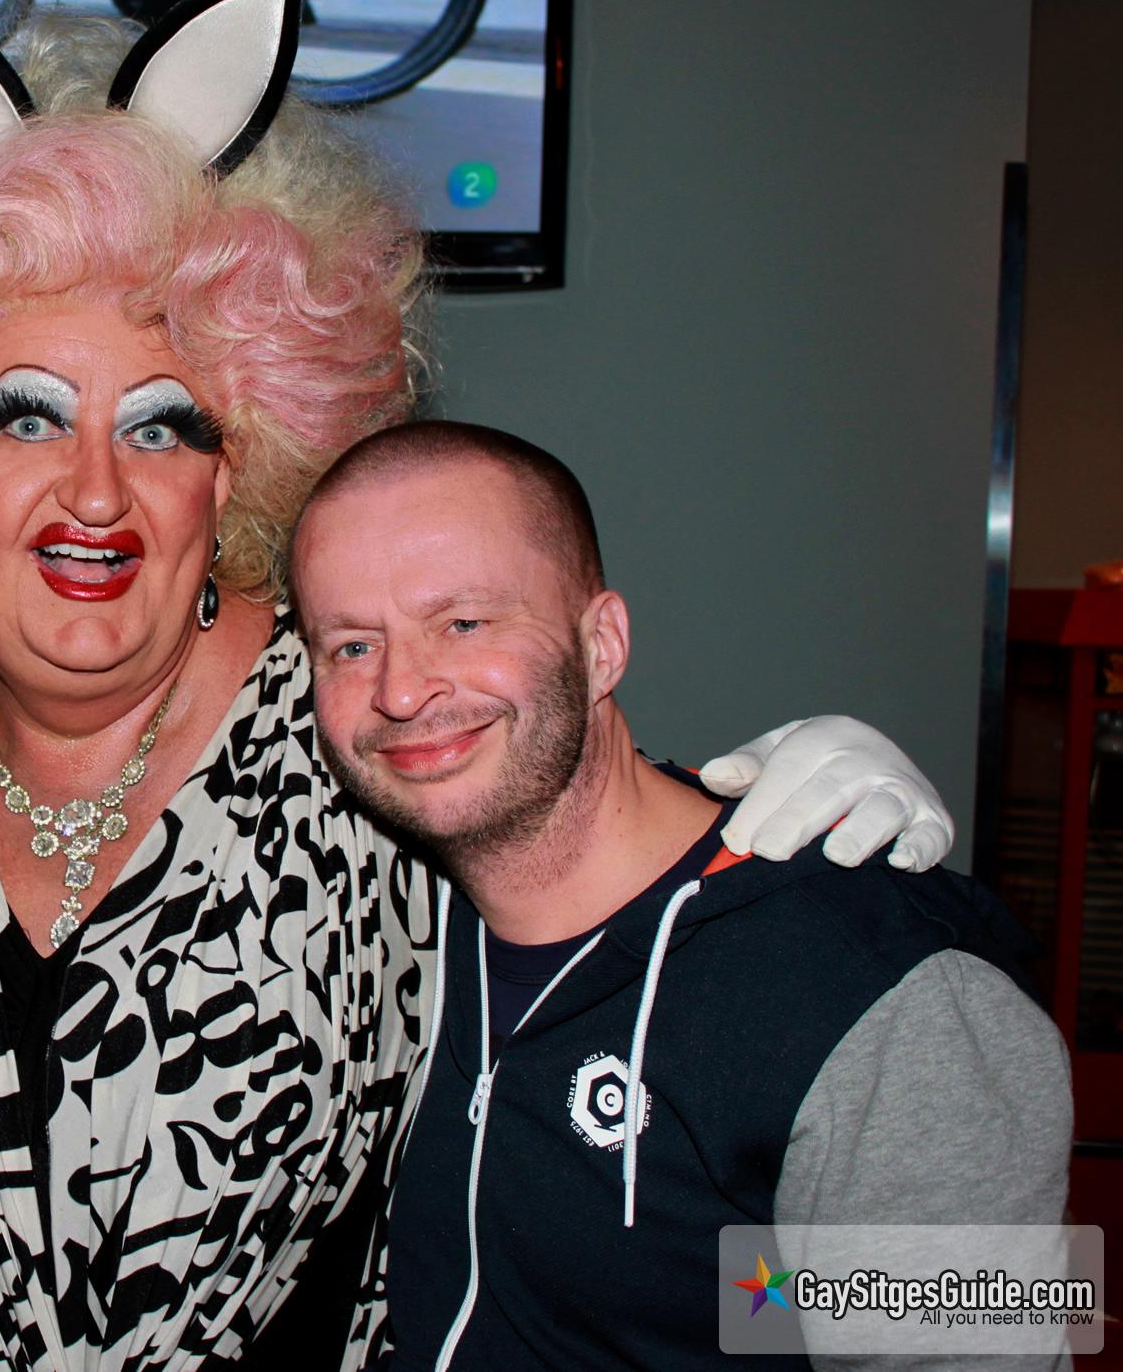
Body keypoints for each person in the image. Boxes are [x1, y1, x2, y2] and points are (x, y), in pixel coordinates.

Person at [0, 0, 956, 1369]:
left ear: (234, 473)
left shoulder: (365, 734)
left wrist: (861, 913)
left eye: (163, 426)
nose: (97, 491)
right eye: (24, 418)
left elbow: (981, 1295)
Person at [293, 422, 1069, 1370]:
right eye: (351, 646)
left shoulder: (879, 992)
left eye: (465, 623)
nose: (402, 690)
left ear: (602, 645)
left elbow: (950, 1339)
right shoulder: (387, 916)